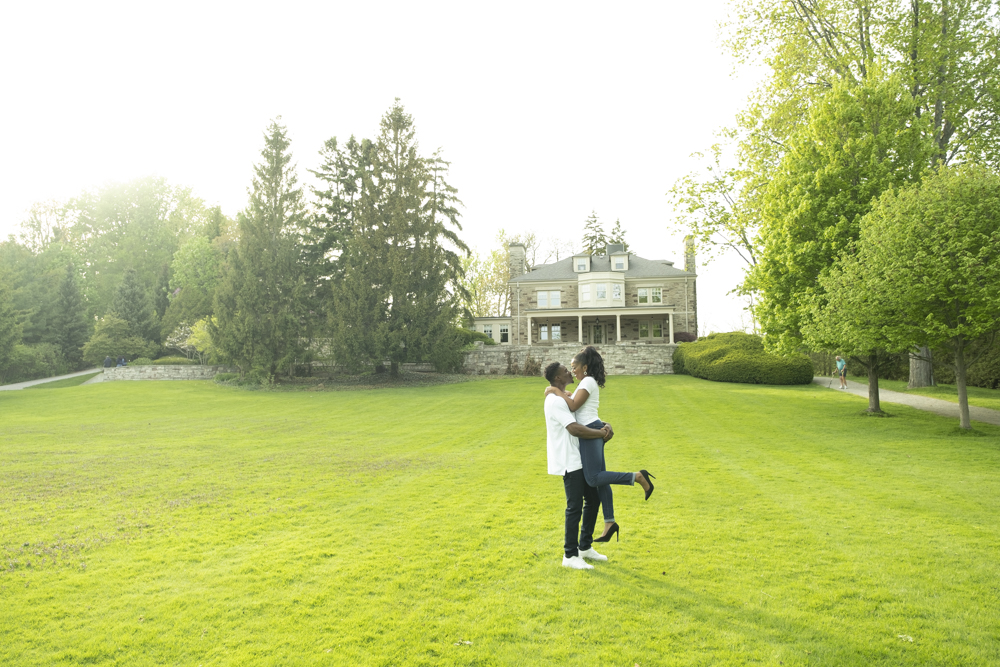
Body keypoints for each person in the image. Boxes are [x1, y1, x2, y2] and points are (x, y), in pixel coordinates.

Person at [545, 346, 653, 544]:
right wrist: (566, 394)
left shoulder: (587, 381)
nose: (572, 370)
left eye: (574, 366)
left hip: (589, 431)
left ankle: (637, 477)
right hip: (593, 426)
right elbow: (582, 407)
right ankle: (609, 522)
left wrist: (555, 392)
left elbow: (575, 407)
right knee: (600, 479)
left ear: (585, 367)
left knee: (594, 478)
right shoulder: (585, 382)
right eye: (569, 368)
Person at [543, 361, 613, 570]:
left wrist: (603, 425)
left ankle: (584, 547)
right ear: (557, 378)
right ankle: (570, 555)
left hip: (578, 458)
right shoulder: (555, 402)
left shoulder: (565, 398)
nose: (570, 372)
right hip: (568, 461)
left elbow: (584, 419)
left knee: (592, 500)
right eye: (566, 371)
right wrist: (601, 434)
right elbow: (574, 428)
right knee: (574, 507)